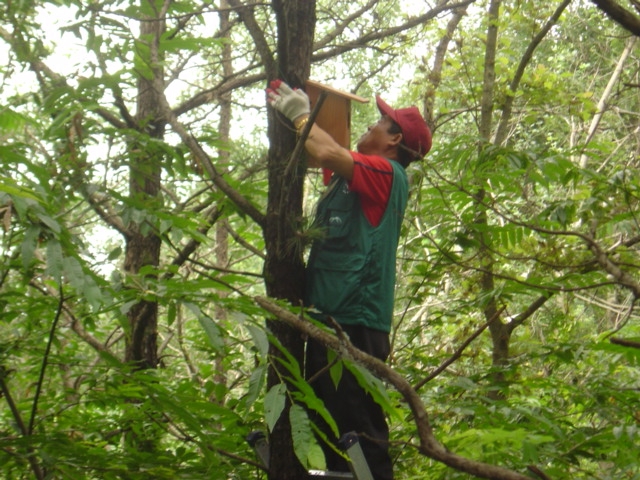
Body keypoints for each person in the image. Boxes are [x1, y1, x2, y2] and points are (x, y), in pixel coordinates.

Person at [266, 79, 432, 480]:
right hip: (329, 318)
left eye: (379, 122)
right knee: (330, 431)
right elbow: (327, 153)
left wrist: (300, 112)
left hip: (354, 324)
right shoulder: (350, 177)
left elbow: (325, 149)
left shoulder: (387, 175)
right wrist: (312, 112)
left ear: (394, 141)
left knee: (359, 433)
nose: (371, 126)